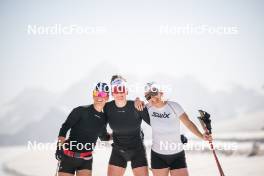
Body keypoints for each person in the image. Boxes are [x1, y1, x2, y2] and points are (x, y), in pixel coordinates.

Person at [135, 82, 212, 176]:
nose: (153, 98)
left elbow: (188, 123)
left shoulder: (174, 106)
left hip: (177, 155)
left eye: (154, 94)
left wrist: (202, 136)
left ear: (161, 93)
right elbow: (131, 113)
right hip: (158, 155)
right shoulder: (147, 108)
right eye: (148, 97)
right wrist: (137, 100)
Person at [55, 82, 111, 176]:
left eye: (103, 94)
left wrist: (118, 135)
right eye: (96, 93)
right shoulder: (80, 110)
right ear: (93, 95)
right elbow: (65, 127)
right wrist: (59, 147)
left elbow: (104, 137)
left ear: (107, 97)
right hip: (68, 157)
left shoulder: (103, 119)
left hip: (86, 160)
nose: (99, 97)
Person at [104, 75, 150, 176]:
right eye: (116, 89)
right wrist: (107, 136)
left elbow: (155, 124)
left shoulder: (136, 106)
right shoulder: (107, 108)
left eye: (122, 88)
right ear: (112, 92)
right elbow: (97, 125)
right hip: (118, 152)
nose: (120, 92)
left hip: (138, 151)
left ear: (127, 91)